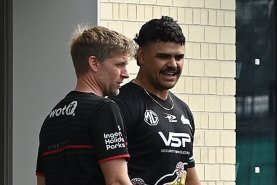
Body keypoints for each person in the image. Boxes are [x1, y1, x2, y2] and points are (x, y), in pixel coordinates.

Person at [36, 25, 136, 185]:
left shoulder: (50, 119)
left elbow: (42, 182)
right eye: (119, 65)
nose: (125, 74)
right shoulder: (104, 109)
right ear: (94, 63)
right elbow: (117, 181)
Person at [110, 16, 201, 185]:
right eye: (164, 56)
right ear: (142, 56)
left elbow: (189, 175)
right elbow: (113, 177)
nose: (173, 64)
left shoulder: (184, 110)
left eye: (179, 57)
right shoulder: (119, 105)